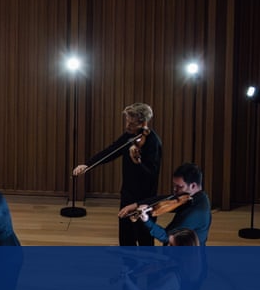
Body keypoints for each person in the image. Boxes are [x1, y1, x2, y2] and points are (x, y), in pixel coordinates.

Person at [73, 102, 162, 246]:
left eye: (131, 123)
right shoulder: (130, 136)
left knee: (145, 239)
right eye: (127, 121)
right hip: (127, 194)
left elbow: (152, 173)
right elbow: (111, 150)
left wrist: (138, 162)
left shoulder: (153, 142)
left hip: (145, 199)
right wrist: (88, 164)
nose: (127, 126)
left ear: (143, 123)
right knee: (125, 237)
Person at [118, 163, 212, 246]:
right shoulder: (196, 197)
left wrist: (147, 220)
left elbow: (167, 237)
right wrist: (136, 205)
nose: (175, 189)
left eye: (179, 186)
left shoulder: (196, 212)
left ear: (193, 186)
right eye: (174, 185)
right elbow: (166, 198)